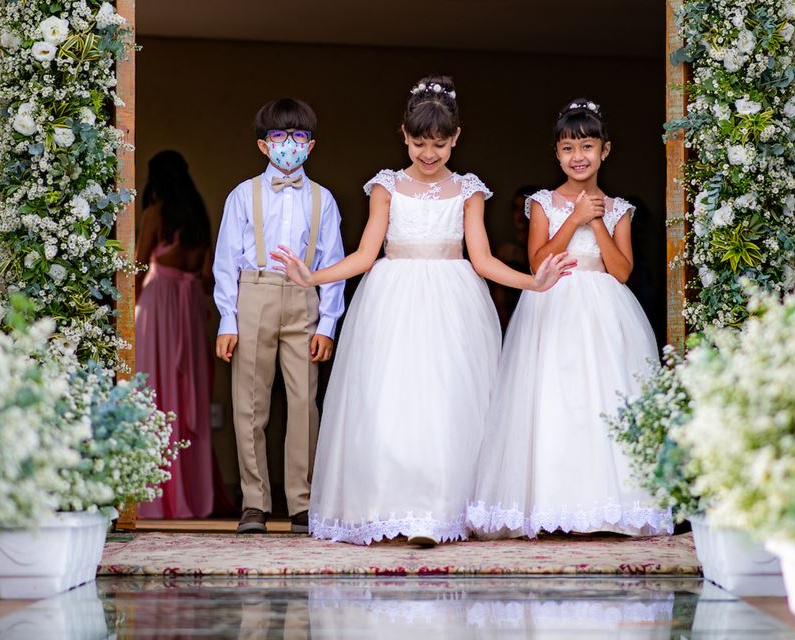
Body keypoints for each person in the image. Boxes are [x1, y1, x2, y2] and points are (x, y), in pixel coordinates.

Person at [271, 75, 575, 546]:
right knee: (391, 404)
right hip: (392, 299)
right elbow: (365, 254)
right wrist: (312, 277)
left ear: (456, 138)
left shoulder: (469, 190)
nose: (428, 154)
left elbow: (485, 259)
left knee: (449, 403)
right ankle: (395, 510)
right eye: (418, 143)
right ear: (403, 135)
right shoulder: (386, 186)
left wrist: (532, 282)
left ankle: (439, 514)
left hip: (454, 300)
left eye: (438, 143)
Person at [468, 99, 674, 538]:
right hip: (553, 303)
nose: (577, 156)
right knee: (552, 397)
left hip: (603, 310)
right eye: (567, 148)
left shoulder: (618, 209)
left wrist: (597, 221)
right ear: (557, 153)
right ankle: (550, 505)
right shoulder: (542, 203)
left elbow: (621, 271)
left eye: (586, 146)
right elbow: (538, 259)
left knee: (601, 397)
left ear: (605, 150)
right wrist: (575, 218)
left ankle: (603, 506)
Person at [213, 99, 346, 534]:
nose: (289, 145)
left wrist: (328, 324)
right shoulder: (242, 194)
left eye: (298, 137)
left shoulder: (322, 199)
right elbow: (225, 262)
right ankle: (254, 502)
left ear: (311, 146)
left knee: (304, 402)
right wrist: (227, 320)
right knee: (249, 403)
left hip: (304, 299)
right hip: (254, 294)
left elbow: (332, 262)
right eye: (279, 137)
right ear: (263, 145)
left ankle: (302, 502)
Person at [135, 150, 215, 519]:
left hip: (160, 307)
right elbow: (207, 275)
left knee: (155, 391)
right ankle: (194, 496)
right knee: (187, 396)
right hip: (191, 309)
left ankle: (161, 497)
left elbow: (136, 264)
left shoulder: (157, 213)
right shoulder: (199, 217)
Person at [490, 185, 537, 329]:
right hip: (510, 318)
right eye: (516, 208)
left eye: (526, 209)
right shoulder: (506, 252)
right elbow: (498, 295)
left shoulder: (546, 253)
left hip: (536, 314)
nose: (521, 215)